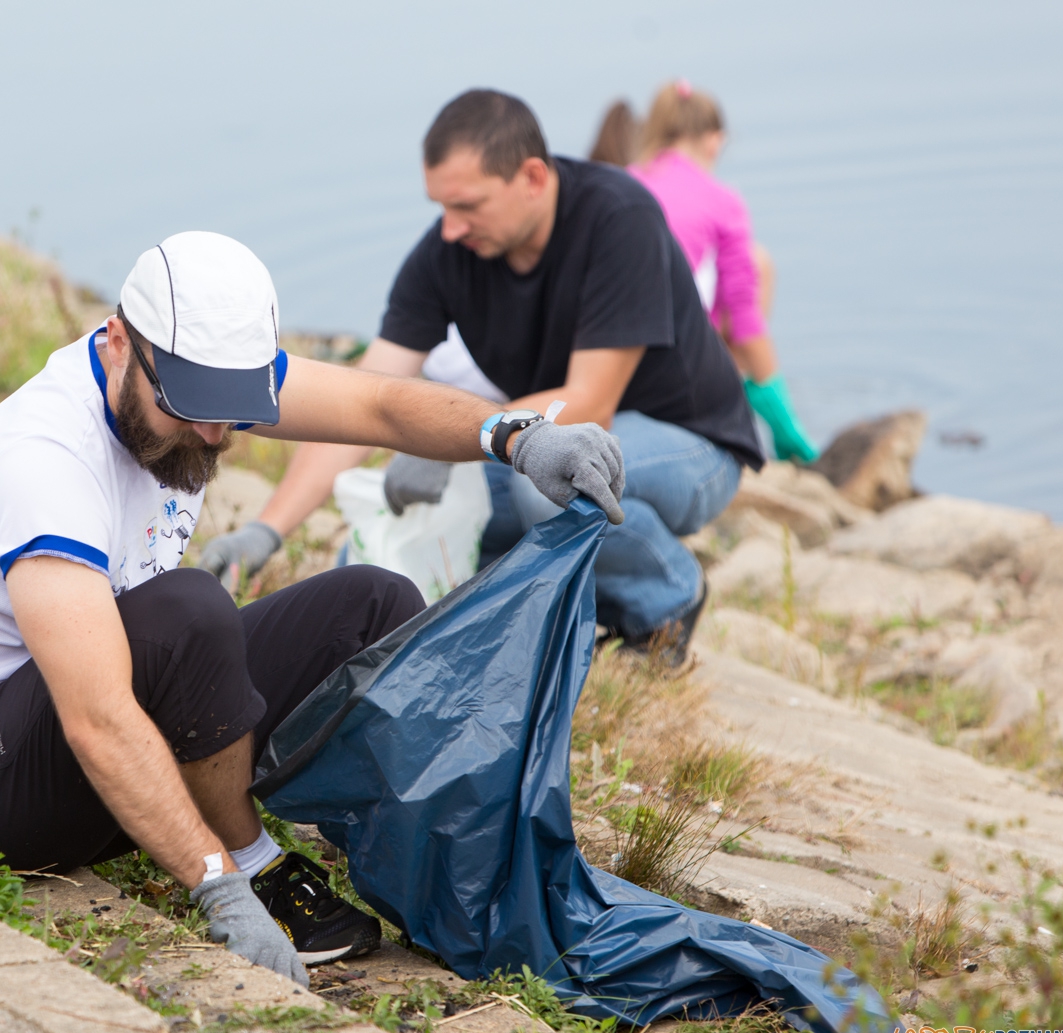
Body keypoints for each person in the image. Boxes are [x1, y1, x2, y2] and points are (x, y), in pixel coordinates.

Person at [0, 231, 626, 986]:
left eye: (233, 410)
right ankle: (253, 862)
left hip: (88, 738)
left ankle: (421, 869)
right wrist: (220, 888)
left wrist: (516, 436)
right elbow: (97, 719)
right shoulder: (43, 462)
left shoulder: (187, 379)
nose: (213, 434)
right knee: (190, 611)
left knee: (374, 603)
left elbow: (377, 404)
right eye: (192, 407)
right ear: (118, 344)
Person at [201, 90, 763, 665]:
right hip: (569, 430)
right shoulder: (448, 253)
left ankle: (667, 600)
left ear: (533, 178)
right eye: (441, 206)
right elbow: (361, 399)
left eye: (468, 206)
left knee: (544, 484)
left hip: (695, 446)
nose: (450, 228)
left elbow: (590, 402)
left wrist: (459, 439)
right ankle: (571, 602)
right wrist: (266, 531)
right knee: (396, 527)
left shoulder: (619, 217)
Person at [626, 80, 819, 463]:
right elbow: (746, 321)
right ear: (714, 141)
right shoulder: (721, 199)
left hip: (618, 352)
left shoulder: (625, 181)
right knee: (759, 264)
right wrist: (785, 423)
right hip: (677, 365)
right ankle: (740, 401)